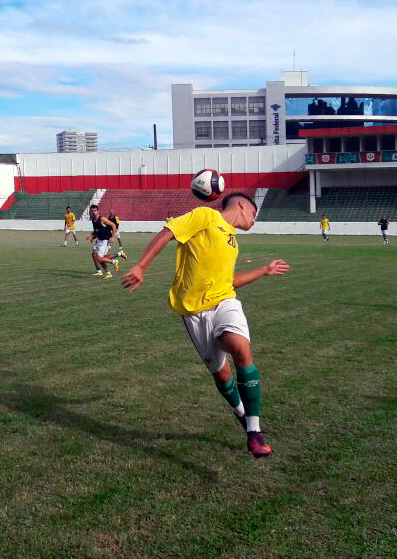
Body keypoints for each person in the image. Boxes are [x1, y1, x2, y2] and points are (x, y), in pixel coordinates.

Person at [121, 193, 289, 458]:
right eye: (254, 214)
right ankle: (243, 416)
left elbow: (229, 281)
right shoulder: (205, 216)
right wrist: (142, 266)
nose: (254, 220)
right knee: (222, 376)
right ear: (242, 205)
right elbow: (169, 232)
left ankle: (254, 433)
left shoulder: (233, 242)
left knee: (240, 348)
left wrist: (263, 271)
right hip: (194, 312)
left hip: (224, 302)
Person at [87, 204, 126, 279]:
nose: (93, 212)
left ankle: (114, 262)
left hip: (105, 241)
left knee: (100, 258)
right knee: (96, 255)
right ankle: (106, 272)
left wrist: (113, 237)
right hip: (99, 240)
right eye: (92, 211)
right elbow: (97, 231)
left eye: (95, 210)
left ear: (98, 211)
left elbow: (113, 225)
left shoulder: (102, 219)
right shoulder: (93, 220)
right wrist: (92, 236)